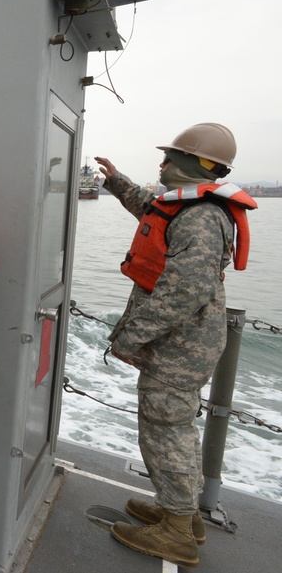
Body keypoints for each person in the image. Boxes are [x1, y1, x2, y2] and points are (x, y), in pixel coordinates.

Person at [96, 122, 257, 568]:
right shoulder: (187, 208)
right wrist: (114, 180)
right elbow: (150, 209)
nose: (163, 163)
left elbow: (183, 292)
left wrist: (132, 335)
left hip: (180, 349)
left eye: (171, 157)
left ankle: (176, 530)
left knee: (166, 431)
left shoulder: (203, 217)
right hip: (181, 346)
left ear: (195, 164)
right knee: (172, 429)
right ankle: (179, 512)